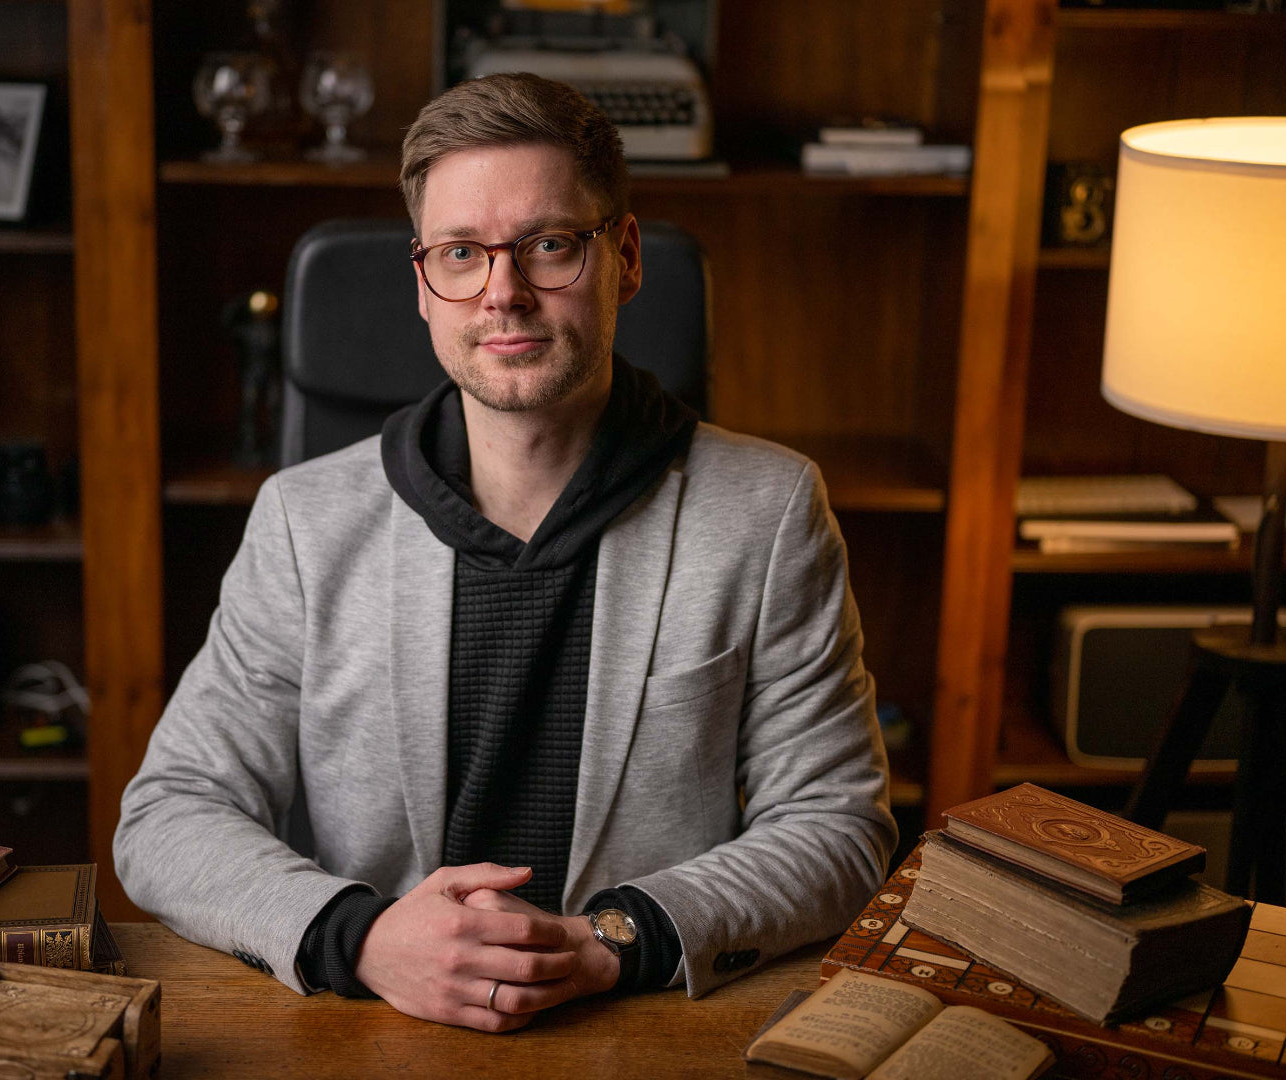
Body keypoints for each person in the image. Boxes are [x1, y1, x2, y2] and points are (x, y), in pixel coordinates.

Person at [114, 72, 897, 1033]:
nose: (504, 293)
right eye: (461, 254)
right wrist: (357, 937)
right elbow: (170, 813)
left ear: (626, 255)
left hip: (639, 1027)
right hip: (368, 1031)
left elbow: (838, 828)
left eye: (550, 245)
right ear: (423, 284)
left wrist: (614, 939)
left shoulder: (766, 511)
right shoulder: (304, 523)